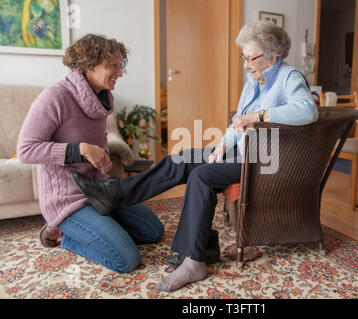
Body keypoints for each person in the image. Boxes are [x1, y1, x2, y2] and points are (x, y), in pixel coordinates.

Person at [71, 21, 318, 291]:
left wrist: (258, 116)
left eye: (251, 57)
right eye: (243, 57)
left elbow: (308, 111)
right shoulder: (252, 83)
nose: (246, 64)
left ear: (272, 55)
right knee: (181, 159)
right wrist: (223, 145)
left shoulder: (289, 77)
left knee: (202, 175)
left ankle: (195, 260)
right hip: (242, 152)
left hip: (267, 161)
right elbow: (238, 122)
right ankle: (116, 193)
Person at [16, 34, 164, 273]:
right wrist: (81, 149)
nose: (119, 73)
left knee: (153, 231)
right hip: (67, 199)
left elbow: (99, 140)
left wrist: (102, 158)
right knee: (126, 259)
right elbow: (25, 150)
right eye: (113, 66)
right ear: (89, 64)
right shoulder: (56, 96)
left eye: (120, 65)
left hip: (99, 191)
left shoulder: (102, 98)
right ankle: (66, 235)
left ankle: (98, 227)